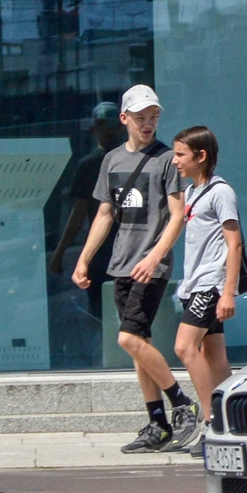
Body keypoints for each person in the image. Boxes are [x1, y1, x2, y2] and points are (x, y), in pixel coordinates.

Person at [71, 86, 193, 452]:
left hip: (150, 266)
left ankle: (182, 405)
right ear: (124, 119)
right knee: (140, 346)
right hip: (120, 262)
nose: (148, 124)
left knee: (128, 338)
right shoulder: (111, 161)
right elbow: (104, 214)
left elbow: (177, 216)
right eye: (141, 118)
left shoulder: (167, 160)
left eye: (153, 117)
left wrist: (156, 256)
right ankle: (156, 424)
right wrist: (84, 258)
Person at [170, 124, 246, 450]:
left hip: (210, 285)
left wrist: (227, 292)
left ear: (201, 156)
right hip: (194, 284)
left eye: (180, 155)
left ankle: (211, 422)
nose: (175, 161)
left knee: (185, 347)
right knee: (213, 354)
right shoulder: (191, 194)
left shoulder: (220, 192)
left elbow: (235, 244)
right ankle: (235, 419)